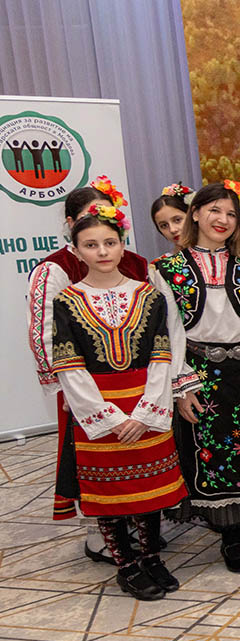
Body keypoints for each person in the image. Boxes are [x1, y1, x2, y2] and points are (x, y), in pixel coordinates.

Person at [151, 181, 240, 572]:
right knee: (214, 455)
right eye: (214, 210)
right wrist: (181, 387)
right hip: (201, 374)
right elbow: (169, 332)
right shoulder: (167, 269)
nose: (223, 220)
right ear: (195, 213)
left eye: (230, 213)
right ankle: (230, 536)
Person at [52, 204, 186, 600]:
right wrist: (108, 417)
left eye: (110, 242)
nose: (102, 251)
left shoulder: (149, 295)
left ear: (123, 244)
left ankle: (151, 556)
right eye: (91, 244)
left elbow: (162, 354)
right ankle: (125, 564)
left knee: (149, 487)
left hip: (146, 402)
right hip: (98, 409)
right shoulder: (66, 301)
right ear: (76, 250)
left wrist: (146, 413)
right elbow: (69, 365)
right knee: (108, 492)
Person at [27, 178, 151, 565]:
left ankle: (136, 522)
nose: (98, 235)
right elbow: (44, 331)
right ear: (70, 224)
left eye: (106, 218)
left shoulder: (135, 263)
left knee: (133, 451)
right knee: (91, 459)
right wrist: (62, 387)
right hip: (83, 384)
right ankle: (99, 533)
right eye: (87, 219)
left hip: (134, 379)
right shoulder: (55, 268)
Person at [150, 183, 191, 250]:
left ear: (194, 215)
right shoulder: (167, 258)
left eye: (177, 220)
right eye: (164, 225)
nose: (172, 230)